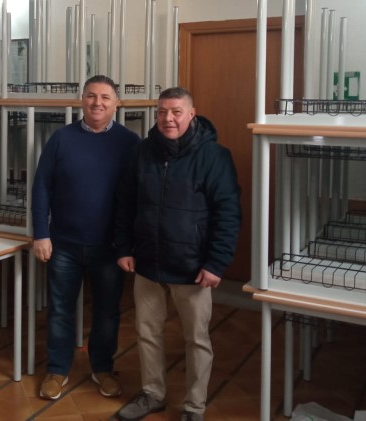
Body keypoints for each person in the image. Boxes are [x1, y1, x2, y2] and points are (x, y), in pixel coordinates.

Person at [113, 87, 241, 421]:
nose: (168, 119)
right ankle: (152, 394)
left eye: (176, 112)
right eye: (162, 112)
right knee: (147, 333)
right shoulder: (142, 152)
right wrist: (124, 247)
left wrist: (216, 263)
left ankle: (194, 406)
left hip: (192, 267)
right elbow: (125, 204)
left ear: (191, 114)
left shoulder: (214, 156)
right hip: (147, 261)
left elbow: (228, 213)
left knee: (196, 339)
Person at [31, 75, 140, 400]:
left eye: (105, 97)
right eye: (91, 96)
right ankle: (57, 370)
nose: (97, 103)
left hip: (109, 247)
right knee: (60, 309)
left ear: (116, 103)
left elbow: (135, 196)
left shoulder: (130, 142)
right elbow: (41, 187)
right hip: (63, 243)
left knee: (107, 312)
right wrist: (41, 233)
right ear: (82, 100)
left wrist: (128, 244)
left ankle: (102, 368)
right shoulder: (61, 138)